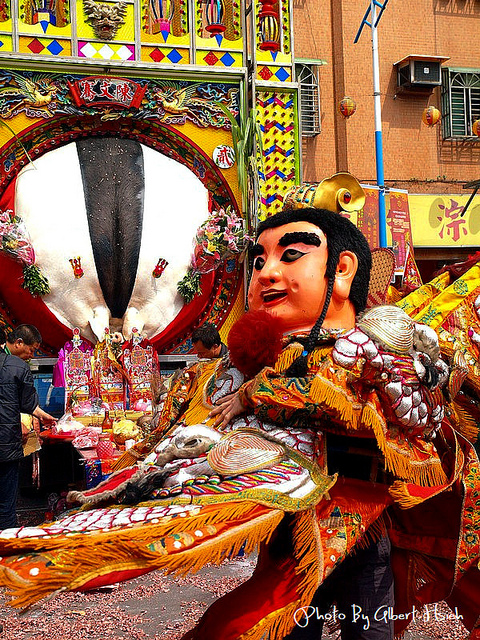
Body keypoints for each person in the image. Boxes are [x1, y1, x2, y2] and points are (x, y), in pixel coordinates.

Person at [0, 186, 478, 640]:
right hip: (285, 527)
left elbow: (411, 422)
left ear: (343, 271)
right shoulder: (226, 371)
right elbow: (176, 441)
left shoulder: (383, 352)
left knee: (366, 625)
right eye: (258, 261)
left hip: (364, 521)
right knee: (282, 625)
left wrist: (262, 394)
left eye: (290, 255)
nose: (266, 272)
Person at [0, 327, 56, 529]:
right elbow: (29, 404)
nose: (31, 355)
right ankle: (9, 548)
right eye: (31, 350)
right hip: (6, 444)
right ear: (19, 343)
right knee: (6, 503)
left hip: (7, 436)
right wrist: (44, 416)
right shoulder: (18, 366)